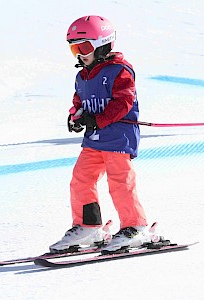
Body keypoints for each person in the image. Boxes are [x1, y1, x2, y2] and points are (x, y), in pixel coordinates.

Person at [49, 15, 150, 253]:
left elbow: (123, 102)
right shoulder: (82, 75)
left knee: (120, 183)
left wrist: (96, 119)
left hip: (118, 137)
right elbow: (79, 101)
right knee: (81, 180)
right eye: (74, 48)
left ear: (102, 44)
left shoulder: (119, 71)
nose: (79, 54)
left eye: (83, 47)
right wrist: (76, 116)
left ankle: (135, 227)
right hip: (94, 139)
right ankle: (88, 226)